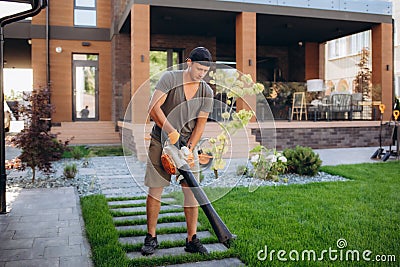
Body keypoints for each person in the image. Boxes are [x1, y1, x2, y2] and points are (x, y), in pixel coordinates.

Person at [141, 47, 214, 256]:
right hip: (161, 140)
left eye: (205, 71)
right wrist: (171, 132)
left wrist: (189, 148)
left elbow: (200, 124)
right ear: (189, 62)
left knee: (191, 192)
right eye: (199, 68)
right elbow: (153, 108)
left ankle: (192, 239)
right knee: (156, 189)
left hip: (186, 146)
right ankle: (151, 237)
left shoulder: (206, 91)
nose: (201, 74)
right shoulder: (170, 79)